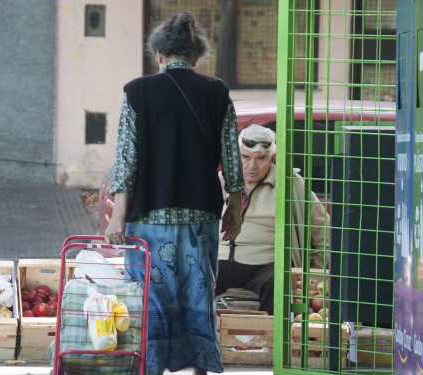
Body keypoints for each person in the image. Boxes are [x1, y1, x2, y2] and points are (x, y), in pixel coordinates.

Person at [104, 12, 244, 375]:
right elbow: (232, 157)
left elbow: (125, 161)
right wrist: (236, 207)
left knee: (149, 298)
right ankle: (199, 366)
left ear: (159, 55)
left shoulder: (137, 91)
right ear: (196, 58)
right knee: (198, 295)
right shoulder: (217, 92)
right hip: (201, 219)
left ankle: (150, 365)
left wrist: (117, 217)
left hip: (149, 220)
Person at [215, 124, 329, 316]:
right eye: (245, 157)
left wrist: (311, 274)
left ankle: (271, 343)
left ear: (272, 159)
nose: (252, 166)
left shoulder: (291, 185)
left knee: (280, 281)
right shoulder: (222, 180)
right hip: (218, 264)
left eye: (260, 158)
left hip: (264, 269)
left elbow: (324, 231)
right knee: (191, 278)